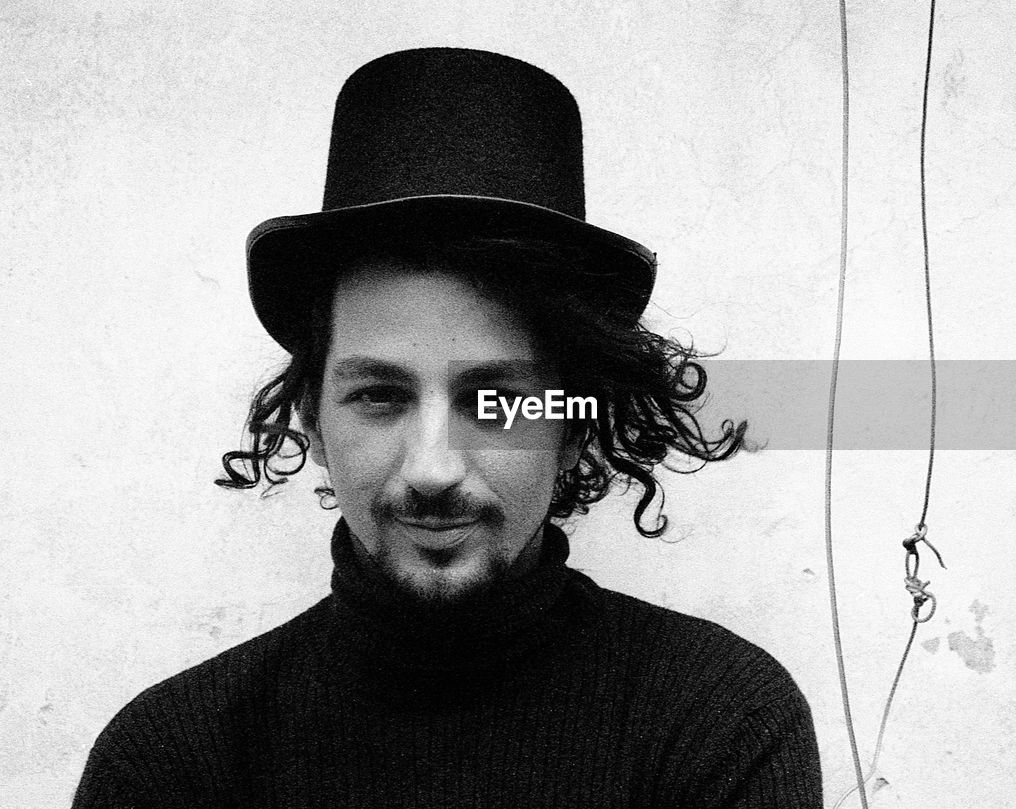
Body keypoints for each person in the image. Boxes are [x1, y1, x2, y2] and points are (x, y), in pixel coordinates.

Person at [72, 47, 822, 808]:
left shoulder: (719, 723)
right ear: (315, 423)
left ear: (570, 423)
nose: (433, 468)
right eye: (379, 396)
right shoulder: (172, 763)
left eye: (493, 398)